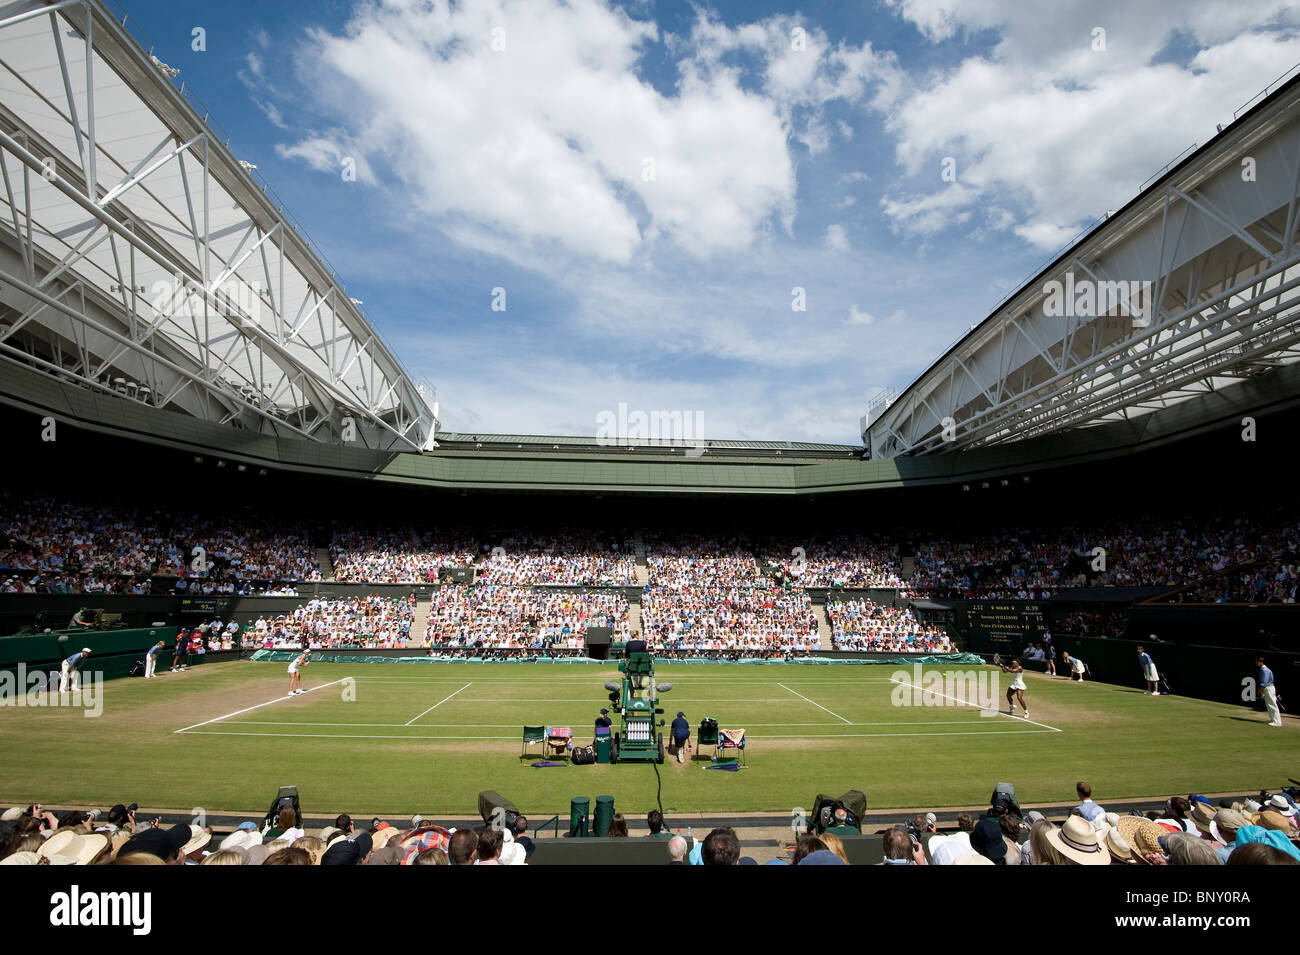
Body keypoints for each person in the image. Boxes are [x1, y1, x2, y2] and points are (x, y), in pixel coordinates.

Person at [1257, 656, 1282, 727]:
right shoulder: (1264, 669)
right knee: (1269, 704)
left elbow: (1264, 682)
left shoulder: (1264, 670)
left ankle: (1277, 722)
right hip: (1267, 688)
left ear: (1260, 662)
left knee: (1272, 704)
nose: (1256, 663)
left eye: (1257, 662)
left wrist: (1260, 690)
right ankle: (1272, 719)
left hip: (1269, 688)